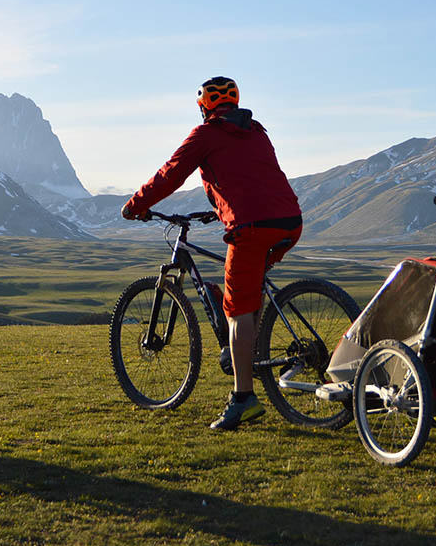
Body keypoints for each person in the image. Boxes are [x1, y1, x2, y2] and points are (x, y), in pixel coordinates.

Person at [122, 77, 303, 430]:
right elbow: (254, 178)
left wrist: (135, 205)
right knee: (249, 294)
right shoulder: (257, 131)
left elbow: (170, 174)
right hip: (289, 222)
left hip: (251, 229)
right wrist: (219, 209)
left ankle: (243, 399)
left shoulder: (205, 134)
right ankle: (253, 352)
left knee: (236, 312)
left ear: (204, 106)